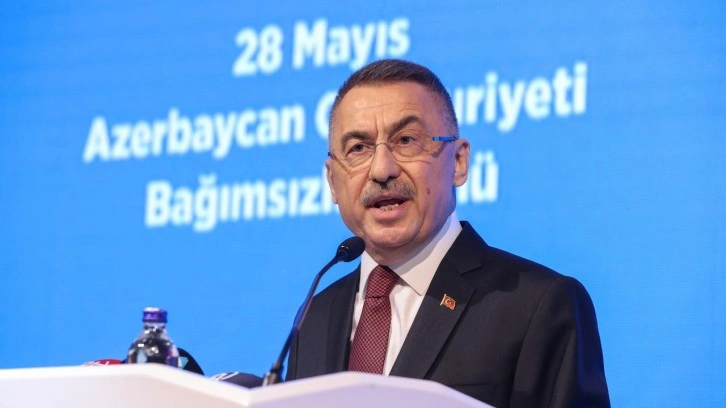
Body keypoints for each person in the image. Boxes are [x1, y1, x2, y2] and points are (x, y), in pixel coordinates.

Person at [286, 59, 610, 407]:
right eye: (358, 148)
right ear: (332, 181)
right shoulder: (314, 317)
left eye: (406, 140)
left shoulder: (537, 305)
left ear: (458, 162)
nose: (382, 170)